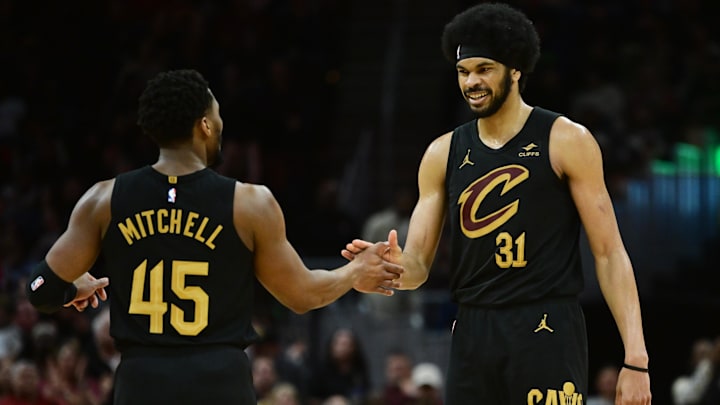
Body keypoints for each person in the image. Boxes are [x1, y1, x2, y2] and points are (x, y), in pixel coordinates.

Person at [23, 69, 404, 405]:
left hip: (142, 381)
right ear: (204, 124)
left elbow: (40, 290)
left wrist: (73, 289)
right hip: (219, 380)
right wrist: (353, 273)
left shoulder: (103, 199)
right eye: (218, 115)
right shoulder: (250, 202)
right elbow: (301, 295)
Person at [343, 3, 651, 404]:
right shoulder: (442, 152)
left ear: (516, 69)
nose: (471, 81)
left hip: (547, 323)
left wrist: (636, 358)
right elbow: (416, 267)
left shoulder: (566, 139)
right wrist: (387, 268)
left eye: (484, 69)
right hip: (474, 326)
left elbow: (610, 254)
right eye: (463, 71)